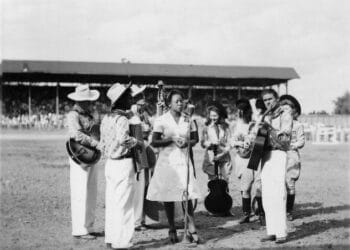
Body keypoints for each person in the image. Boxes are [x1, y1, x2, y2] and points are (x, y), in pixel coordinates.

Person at [146, 90, 202, 245]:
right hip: (167, 162)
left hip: (183, 160)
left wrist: (187, 142)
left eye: (181, 101)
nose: (180, 103)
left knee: (187, 194)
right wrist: (170, 140)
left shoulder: (188, 119)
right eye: (176, 101)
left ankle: (191, 228)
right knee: (169, 195)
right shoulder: (161, 120)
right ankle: (172, 228)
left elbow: (195, 139)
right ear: (169, 103)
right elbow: (154, 142)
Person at [99, 83, 142, 249]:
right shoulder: (122, 118)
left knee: (112, 203)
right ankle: (123, 242)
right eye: (127, 96)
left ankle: (111, 239)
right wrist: (138, 142)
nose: (130, 98)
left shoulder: (106, 118)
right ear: (121, 100)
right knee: (124, 205)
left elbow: (103, 142)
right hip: (123, 162)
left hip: (110, 163)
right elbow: (123, 139)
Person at [259, 89, 293, 244]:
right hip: (265, 154)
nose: (268, 102)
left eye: (270, 99)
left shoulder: (285, 113)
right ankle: (271, 230)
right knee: (266, 193)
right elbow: (260, 136)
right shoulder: (265, 115)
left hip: (279, 153)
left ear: (277, 98)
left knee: (278, 192)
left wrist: (269, 128)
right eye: (265, 100)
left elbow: (285, 138)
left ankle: (281, 232)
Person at [66, 84, 100, 240]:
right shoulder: (72, 115)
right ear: (78, 100)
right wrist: (94, 143)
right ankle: (79, 229)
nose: (89, 103)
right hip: (79, 154)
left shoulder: (90, 114)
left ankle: (89, 226)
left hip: (91, 155)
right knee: (80, 191)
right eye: (85, 101)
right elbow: (76, 135)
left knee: (91, 191)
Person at [231, 99, 264, 225]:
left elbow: (262, 139)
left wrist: (254, 143)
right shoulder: (238, 124)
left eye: (243, 110)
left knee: (259, 185)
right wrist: (241, 143)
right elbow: (232, 141)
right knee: (245, 187)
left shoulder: (259, 122)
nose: (241, 113)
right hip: (243, 157)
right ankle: (246, 214)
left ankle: (261, 213)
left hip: (256, 153)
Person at [129, 85, 152, 231]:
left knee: (143, 185)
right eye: (139, 96)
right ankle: (136, 221)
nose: (143, 99)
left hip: (144, 150)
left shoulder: (143, 113)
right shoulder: (132, 113)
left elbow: (150, 129)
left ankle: (140, 218)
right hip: (136, 152)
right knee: (137, 186)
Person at [279, 95, 305, 221]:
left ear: (294, 111)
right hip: (279, 155)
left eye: (288, 110)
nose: (285, 113)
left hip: (291, 156)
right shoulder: (278, 124)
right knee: (278, 183)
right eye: (282, 110)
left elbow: (301, 141)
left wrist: (292, 145)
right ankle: (277, 208)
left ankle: (289, 210)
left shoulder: (298, 125)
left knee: (290, 183)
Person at [201, 101, 232, 183]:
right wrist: (208, 144)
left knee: (224, 183)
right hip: (211, 158)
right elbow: (202, 143)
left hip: (224, 157)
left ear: (220, 115)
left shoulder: (226, 127)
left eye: (215, 116)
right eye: (211, 116)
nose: (212, 118)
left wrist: (222, 153)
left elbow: (230, 143)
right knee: (212, 183)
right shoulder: (206, 127)